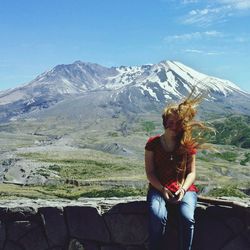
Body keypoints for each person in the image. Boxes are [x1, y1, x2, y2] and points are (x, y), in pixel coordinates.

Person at [145, 90, 209, 250]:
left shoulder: (187, 145)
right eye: (170, 122)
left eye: (177, 122)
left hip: (185, 188)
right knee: (157, 216)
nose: (173, 126)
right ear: (165, 122)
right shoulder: (153, 144)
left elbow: (191, 172)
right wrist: (162, 189)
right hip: (159, 187)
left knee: (187, 218)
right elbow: (150, 172)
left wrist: (183, 189)